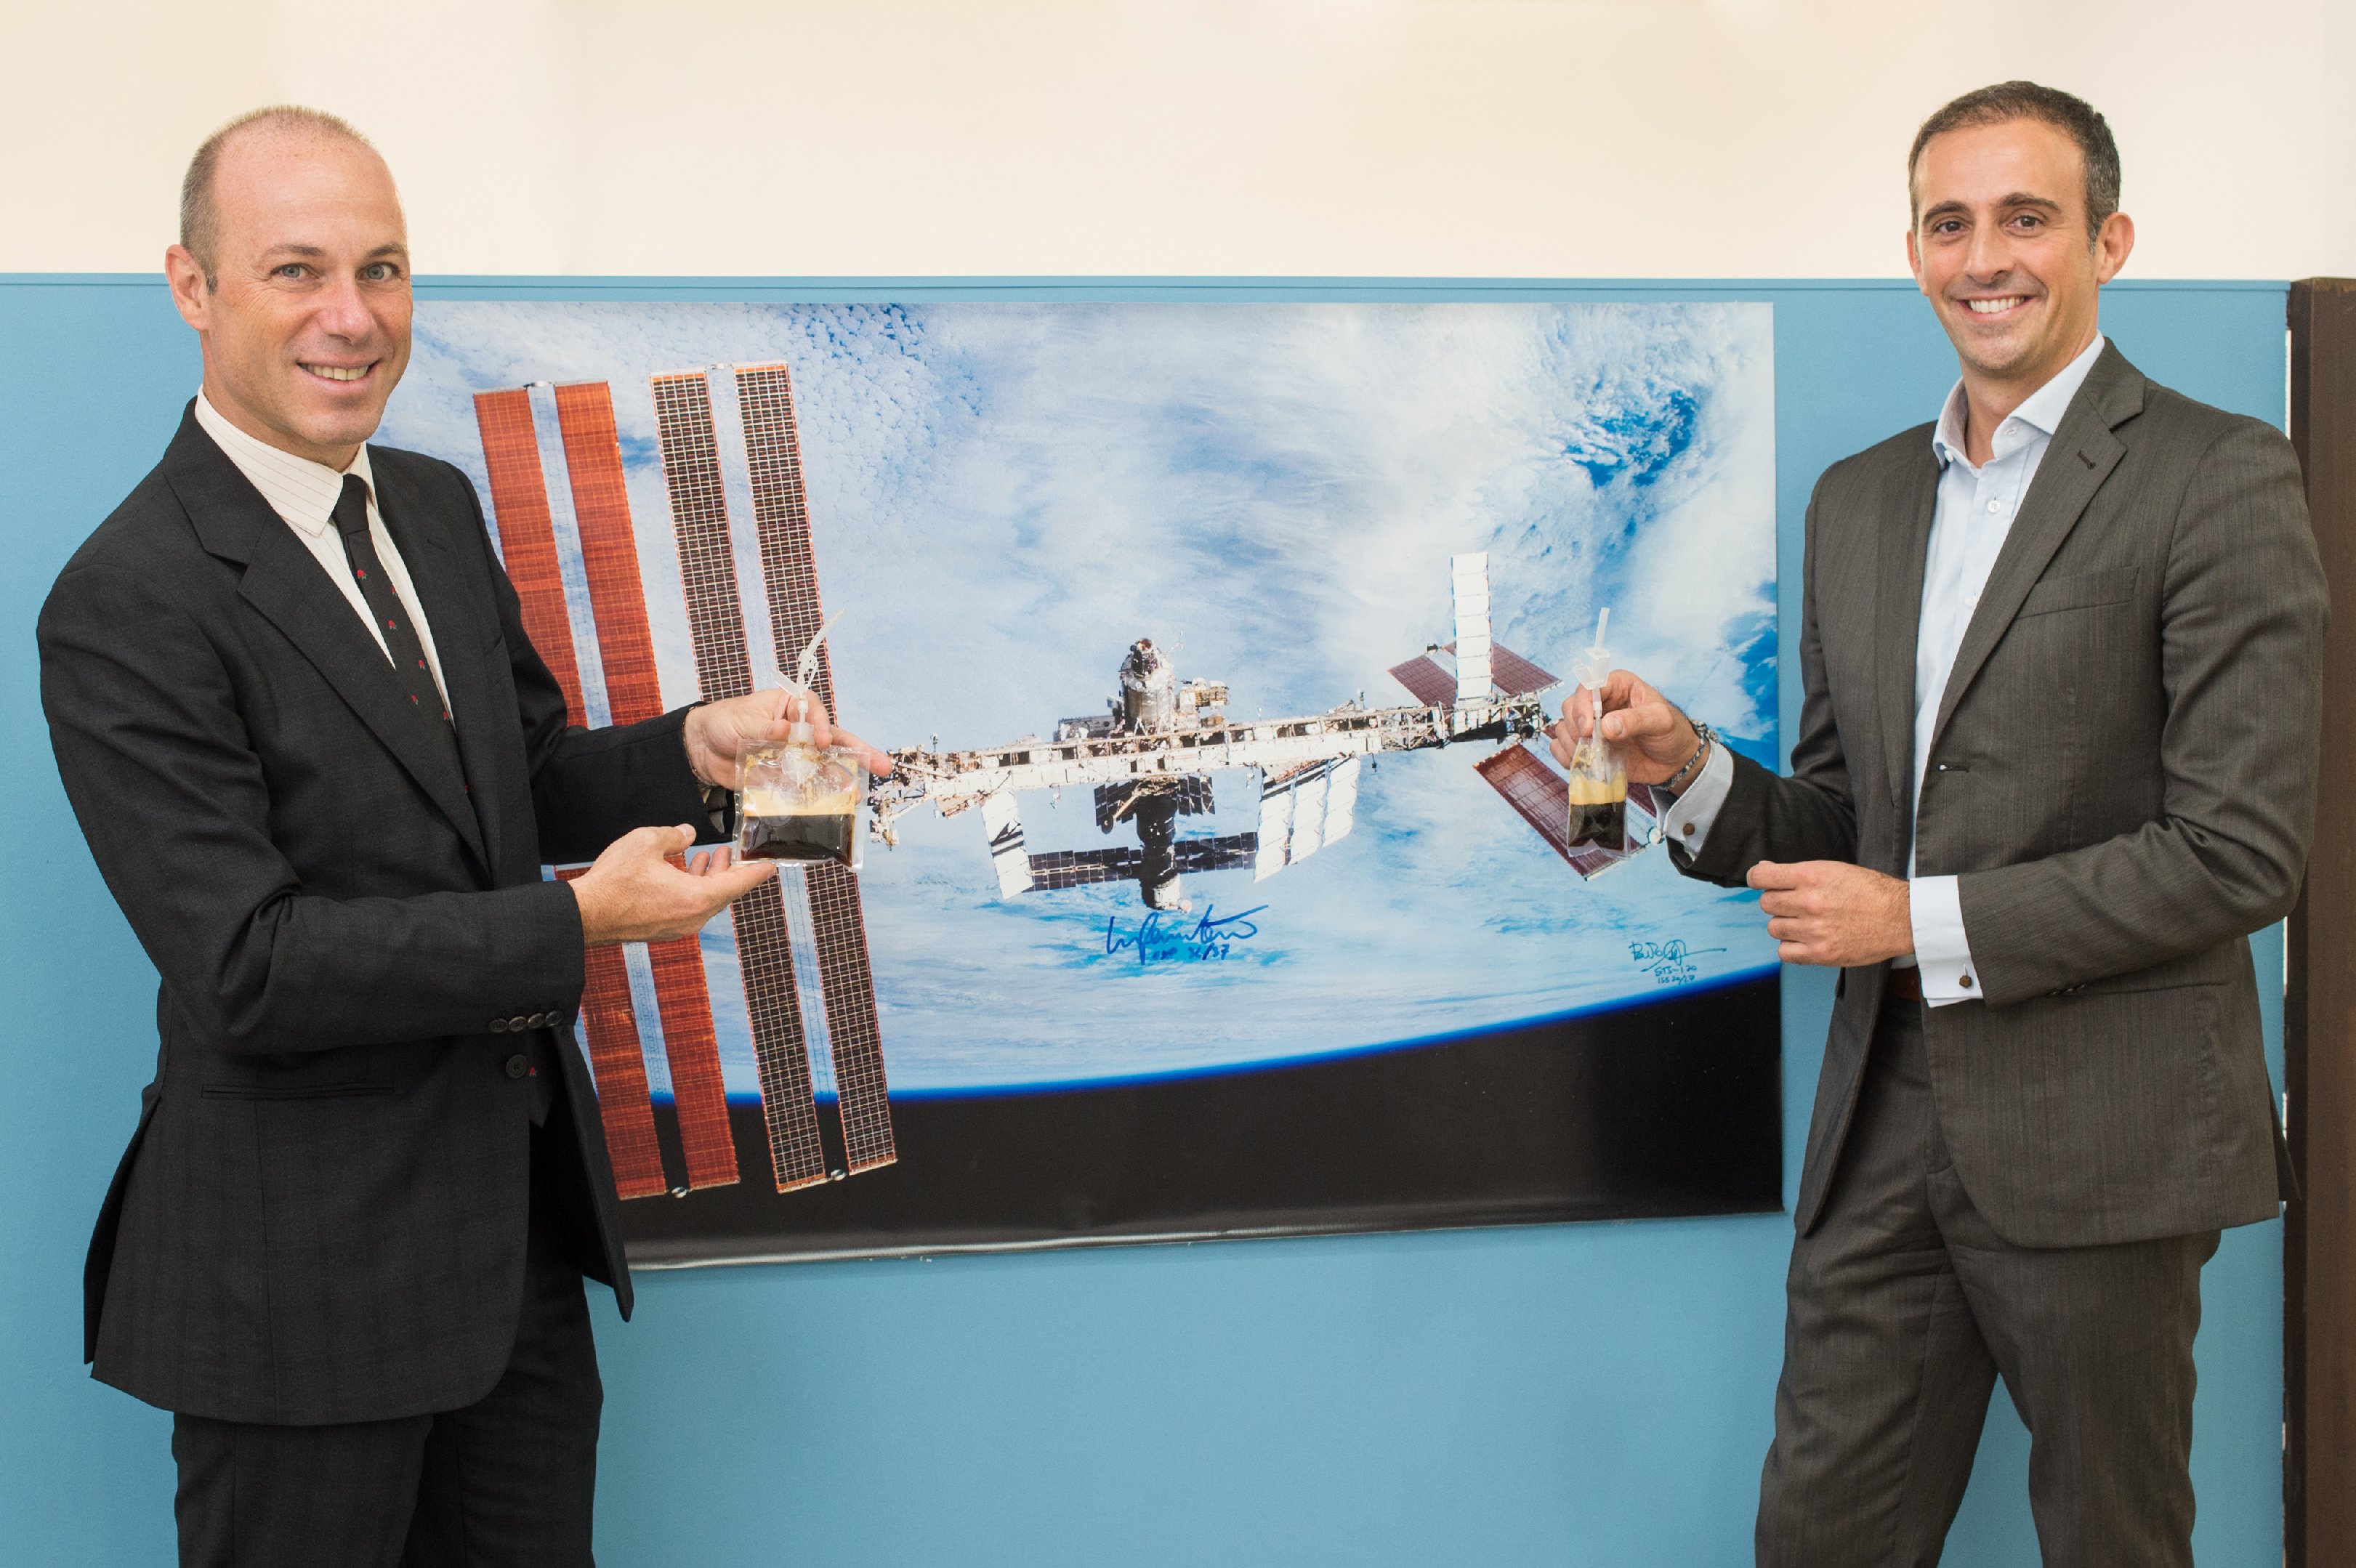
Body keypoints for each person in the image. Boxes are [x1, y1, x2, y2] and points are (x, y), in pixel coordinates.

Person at [37, 106, 888, 1567]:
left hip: (510, 1262)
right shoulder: (128, 598)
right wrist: (576, 926)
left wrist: (692, 750)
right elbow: (251, 966)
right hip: (295, 1294)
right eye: (297, 270)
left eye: (382, 268)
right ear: (193, 286)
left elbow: (517, 776)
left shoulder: (428, 507)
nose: (353, 316)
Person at [1556, 81, 2325, 1566]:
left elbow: (2239, 850)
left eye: (2025, 218)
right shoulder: (1856, 503)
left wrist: (1913, 919)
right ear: (1912, 251)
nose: (1984, 258)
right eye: (1948, 222)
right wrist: (1684, 767)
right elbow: (1846, 816)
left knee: (2112, 1540)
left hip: (2106, 1135)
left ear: (2107, 241)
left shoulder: (2216, 474)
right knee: (1819, 1538)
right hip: (1884, 1121)